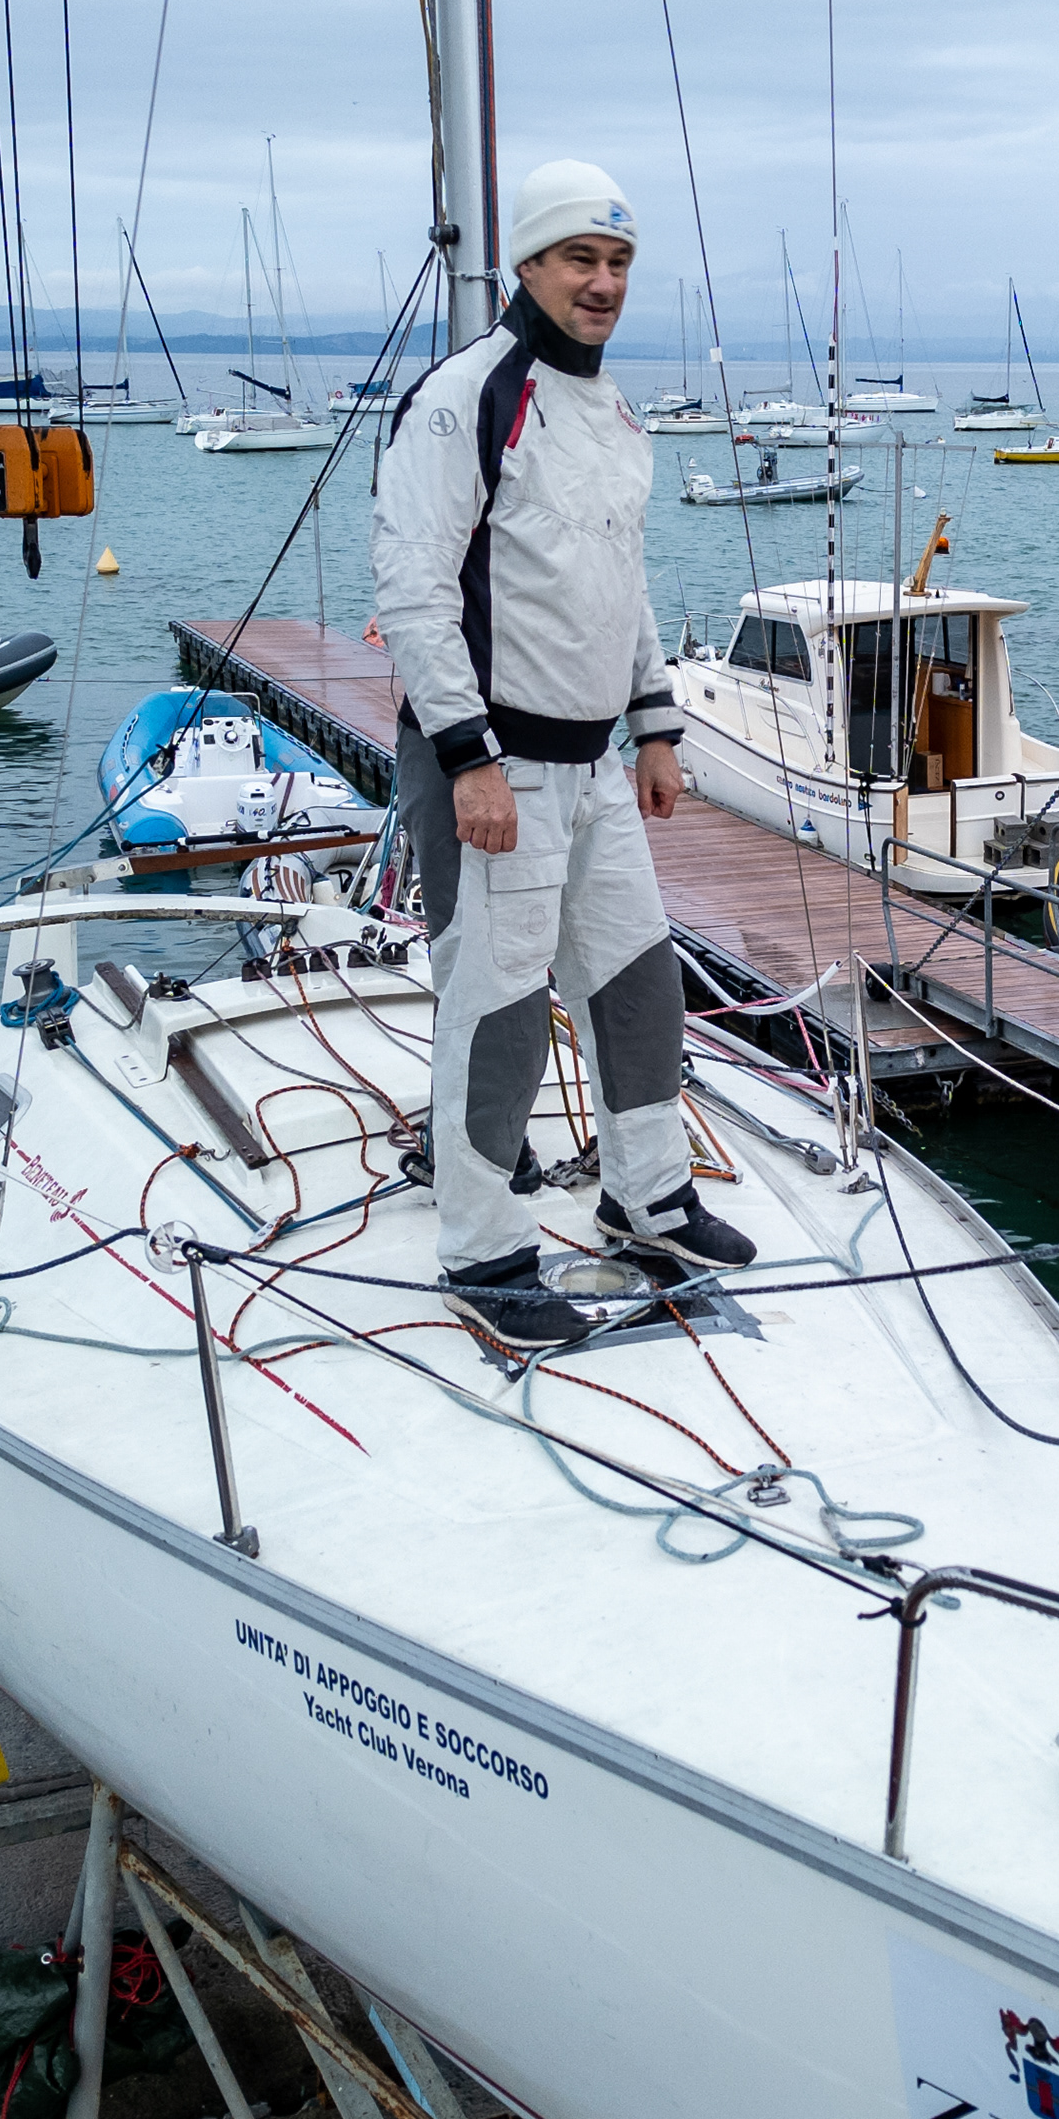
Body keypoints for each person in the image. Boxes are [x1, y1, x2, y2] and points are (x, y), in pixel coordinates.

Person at [373, 158, 754, 1350]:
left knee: (639, 983)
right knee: (496, 1006)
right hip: (498, 767)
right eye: (580, 258)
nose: (602, 283)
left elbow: (618, 582)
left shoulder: (615, 414)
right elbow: (416, 590)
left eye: (619, 261)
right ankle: (483, 1248)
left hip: (594, 766)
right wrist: (468, 755)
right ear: (529, 266)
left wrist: (656, 722)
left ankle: (648, 1194)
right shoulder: (464, 398)